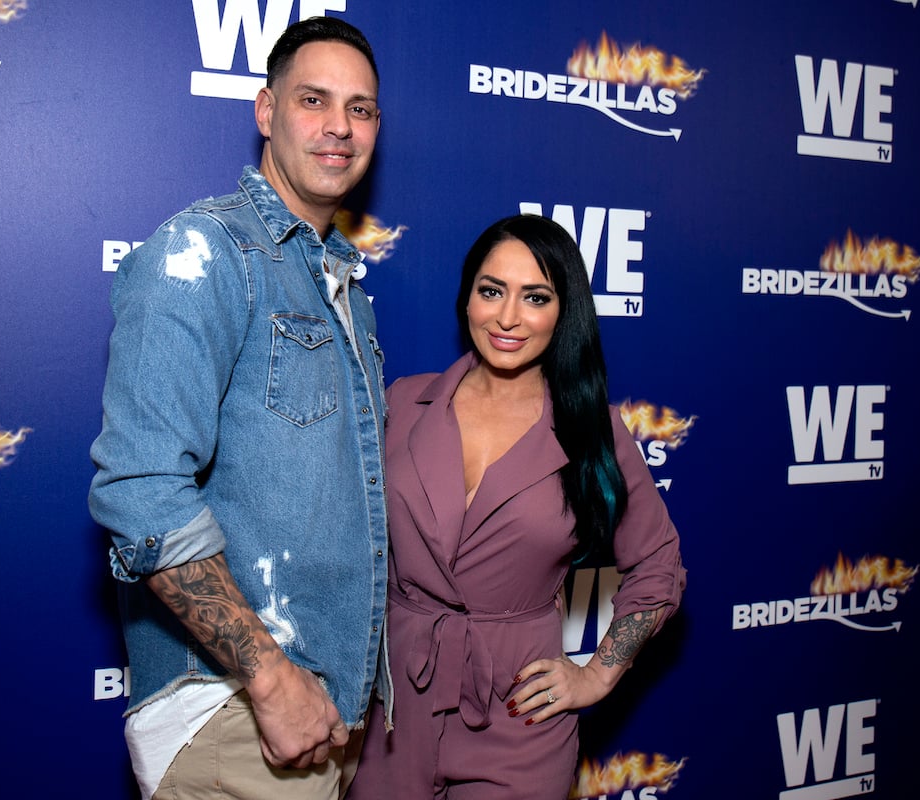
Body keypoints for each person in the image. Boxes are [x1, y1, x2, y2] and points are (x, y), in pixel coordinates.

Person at [88, 17, 388, 800]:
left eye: (361, 109)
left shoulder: (336, 280)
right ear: (265, 110)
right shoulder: (204, 250)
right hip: (236, 710)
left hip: (315, 710)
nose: (339, 127)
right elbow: (139, 491)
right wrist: (268, 678)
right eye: (313, 100)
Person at [347, 214, 686, 799]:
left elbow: (658, 567)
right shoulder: (402, 402)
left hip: (518, 720)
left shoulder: (593, 433)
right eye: (491, 291)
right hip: (392, 712)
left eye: (535, 297)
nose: (507, 318)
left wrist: (600, 674)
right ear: (467, 298)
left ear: (564, 311)